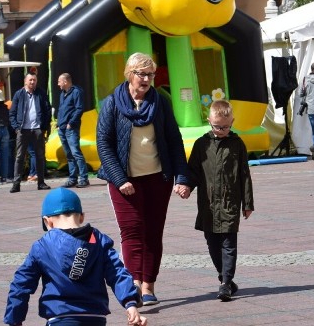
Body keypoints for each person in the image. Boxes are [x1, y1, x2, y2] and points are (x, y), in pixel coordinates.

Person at [95, 52, 192, 306]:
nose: (147, 79)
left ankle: (148, 284)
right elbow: (103, 144)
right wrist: (119, 178)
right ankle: (134, 284)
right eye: (142, 74)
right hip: (124, 182)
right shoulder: (112, 103)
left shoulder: (160, 102)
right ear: (130, 74)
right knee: (131, 232)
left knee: (152, 233)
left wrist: (182, 177)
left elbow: (174, 141)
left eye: (150, 74)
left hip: (157, 179)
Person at [4, 187, 147, 326]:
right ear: (82, 216)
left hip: (59, 316)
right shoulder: (99, 241)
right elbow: (117, 273)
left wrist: (14, 319)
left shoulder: (42, 246)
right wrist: (130, 303)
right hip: (95, 317)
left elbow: (21, 284)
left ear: (48, 221)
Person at [187, 100, 254, 302]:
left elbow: (244, 174)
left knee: (228, 244)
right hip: (208, 205)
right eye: (217, 126)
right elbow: (193, 171)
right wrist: (186, 186)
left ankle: (225, 283)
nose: (221, 130)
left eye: (225, 127)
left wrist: (248, 203)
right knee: (212, 244)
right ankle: (225, 278)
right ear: (209, 121)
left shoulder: (237, 144)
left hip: (229, 204)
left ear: (232, 121)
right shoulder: (201, 144)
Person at [9, 73, 52, 193]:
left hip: (37, 129)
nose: (32, 82)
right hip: (23, 130)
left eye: (34, 80)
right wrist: (16, 128)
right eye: (30, 80)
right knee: (19, 157)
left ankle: (41, 182)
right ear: (25, 81)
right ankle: (16, 184)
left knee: (39, 156)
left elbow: (47, 109)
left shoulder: (41, 93)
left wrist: (44, 126)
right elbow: (12, 112)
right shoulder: (19, 94)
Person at [57, 73, 90, 188]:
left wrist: (71, 123)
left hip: (71, 128)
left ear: (65, 81)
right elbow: (62, 109)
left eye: (59, 81)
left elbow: (79, 108)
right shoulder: (63, 94)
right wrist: (58, 124)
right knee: (69, 155)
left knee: (76, 153)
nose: (58, 84)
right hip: (61, 128)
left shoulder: (76, 92)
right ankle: (72, 178)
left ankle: (84, 178)